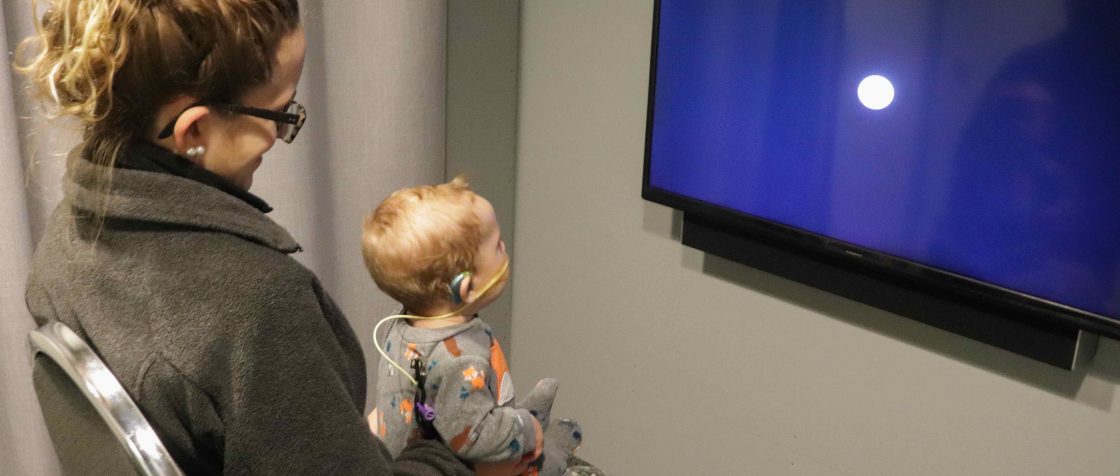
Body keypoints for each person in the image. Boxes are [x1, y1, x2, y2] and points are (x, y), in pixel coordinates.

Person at [18, 0, 476, 474]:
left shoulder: (64, 243)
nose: (279, 133)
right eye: (279, 113)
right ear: (194, 130)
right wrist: (450, 460)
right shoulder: (260, 309)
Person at [361, 178, 588, 475]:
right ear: (466, 288)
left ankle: (514, 418)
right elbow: (478, 437)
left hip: (411, 453)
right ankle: (548, 447)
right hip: (458, 466)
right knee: (539, 460)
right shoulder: (458, 361)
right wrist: (528, 429)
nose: (504, 247)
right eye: (497, 246)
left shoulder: (399, 324)